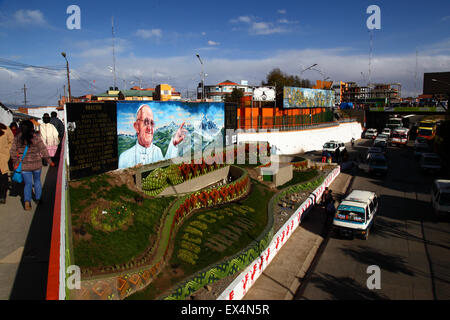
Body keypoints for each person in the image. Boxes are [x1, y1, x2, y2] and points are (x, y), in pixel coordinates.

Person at [118, 104, 187, 169]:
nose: (150, 128)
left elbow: (165, 168)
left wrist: (174, 143)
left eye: (152, 123)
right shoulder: (124, 158)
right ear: (136, 126)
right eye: (146, 122)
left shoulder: (157, 151)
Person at [10, 120, 54, 210]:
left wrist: (15, 161)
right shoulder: (36, 137)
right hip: (37, 164)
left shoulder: (17, 138)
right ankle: (39, 199)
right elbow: (43, 150)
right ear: (32, 128)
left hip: (24, 166)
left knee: (28, 184)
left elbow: (12, 151)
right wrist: (49, 161)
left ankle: (27, 202)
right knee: (37, 181)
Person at [0, 123, 14, 204]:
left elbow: (11, 141)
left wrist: (7, 152)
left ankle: (2, 196)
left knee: (3, 177)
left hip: (3, 157)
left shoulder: (5, 128)